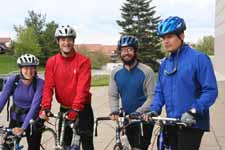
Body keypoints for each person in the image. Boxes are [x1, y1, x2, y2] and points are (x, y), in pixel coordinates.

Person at [144, 16, 218, 150]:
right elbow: (160, 91)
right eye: (163, 38)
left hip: (192, 123)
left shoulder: (199, 59)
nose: (166, 41)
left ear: (182, 35)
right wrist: (154, 110)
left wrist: (193, 111)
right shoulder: (165, 64)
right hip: (171, 122)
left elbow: (210, 91)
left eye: (170, 36)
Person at [39, 25, 94, 150]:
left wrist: (75, 108)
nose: (66, 43)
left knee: (87, 144)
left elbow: (83, 88)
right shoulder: (52, 62)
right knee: (63, 145)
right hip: (64, 109)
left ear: (73, 41)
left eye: (69, 39)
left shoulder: (83, 61)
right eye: (63, 39)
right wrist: (45, 107)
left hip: (82, 109)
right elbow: (48, 86)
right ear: (58, 42)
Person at [109, 35, 155, 150]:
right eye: (124, 50)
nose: (126, 53)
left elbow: (152, 97)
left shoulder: (147, 71)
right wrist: (114, 110)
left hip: (143, 119)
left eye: (130, 49)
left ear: (135, 51)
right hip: (126, 120)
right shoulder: (116, 72)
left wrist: (138, 112)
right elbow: (113, 95)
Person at [0, 54, 43, 150]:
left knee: (33, 147)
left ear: (35, 69)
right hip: (16, 118)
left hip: (33, 121)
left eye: (32, 68)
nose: (29, 71)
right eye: (26, 68)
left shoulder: (39, 83)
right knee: (7, 147)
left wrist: (23, 128)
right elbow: (2, 100)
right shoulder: (13, 80)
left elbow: (34, 107)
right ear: (20, 69)